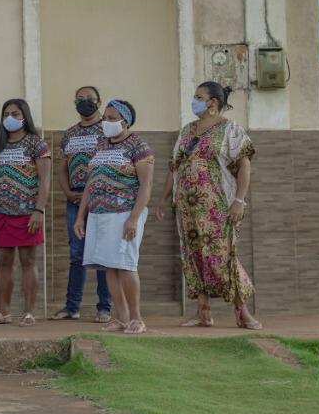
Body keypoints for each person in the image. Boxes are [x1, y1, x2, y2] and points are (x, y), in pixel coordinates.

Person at [156, 82, 262, 330]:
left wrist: (239, 200)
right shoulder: (186, 132)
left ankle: (241, 310)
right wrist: (163, 198)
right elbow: (175, 167)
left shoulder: (230, 129)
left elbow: (245, 165)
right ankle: (203, 312)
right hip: (187, 208)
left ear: (212, 102)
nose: (194, 101)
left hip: (219, 207)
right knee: (193, 256)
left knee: (223, 256)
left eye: (198, 97)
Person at [73, 100, 155, 334]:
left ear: (125, 121)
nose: (105, 123)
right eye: (105, 118)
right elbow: (91, 183)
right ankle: (120, 317)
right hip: (99, 214)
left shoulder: (138, 147)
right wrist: (81, 217)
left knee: (126, 265)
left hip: (124, 212)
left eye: (111, 118)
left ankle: (136, 318)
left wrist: (133, 218)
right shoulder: (101, 145)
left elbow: (146, 185)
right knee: (108, 267)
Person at [0, 98, 51, 327]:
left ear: (25, 117)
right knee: (3, 262)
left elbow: (45, 181)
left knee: (28, 261)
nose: (10, 117)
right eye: (6, 113)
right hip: (2, 213)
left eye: (15, 114)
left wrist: (39, 210)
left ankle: (28, 312)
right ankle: (3, 311)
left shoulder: (37, 145)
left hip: (28, 213)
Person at [50, 85, 113, 323]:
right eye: (80, 99)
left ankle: (104, 307)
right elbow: (63, 167)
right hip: (74, 199)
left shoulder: (107, 130)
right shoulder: (69, 134)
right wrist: (67, 192)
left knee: (103, 255)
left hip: (102, 199)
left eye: (90, 98)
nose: (85, 102)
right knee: (77, 255)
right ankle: (71, 307)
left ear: (99, 101)